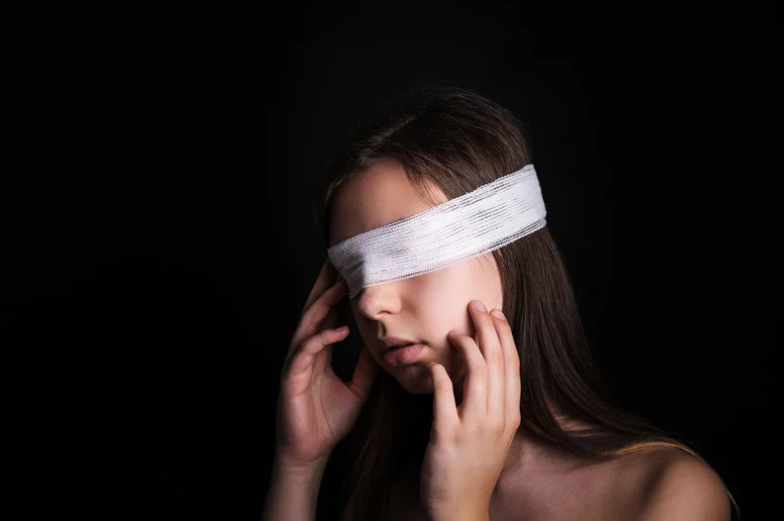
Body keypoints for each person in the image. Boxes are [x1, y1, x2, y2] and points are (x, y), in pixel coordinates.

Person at [262, 86, 741, 521]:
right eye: (353, 273)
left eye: (408, 255)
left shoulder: (669, 496)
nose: (370, 302)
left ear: (509, 252)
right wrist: (299, 464)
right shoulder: (384, 493)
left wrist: (459, 510)